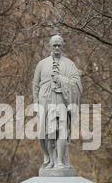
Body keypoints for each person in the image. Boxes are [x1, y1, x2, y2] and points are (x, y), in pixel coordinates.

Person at [32, 34, 83, 171]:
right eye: (54, 45)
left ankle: (60, 161)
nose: (56, 47)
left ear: (62, 46)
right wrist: (36, 104)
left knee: (61, 130)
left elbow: (76, 83)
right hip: (45, 101)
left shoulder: (69, 64)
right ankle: (50, 159)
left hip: (62, 100)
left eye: (59, 45)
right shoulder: (42, 64)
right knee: (48, 133)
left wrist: (61, 80)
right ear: (50, 46)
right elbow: (35, 85)